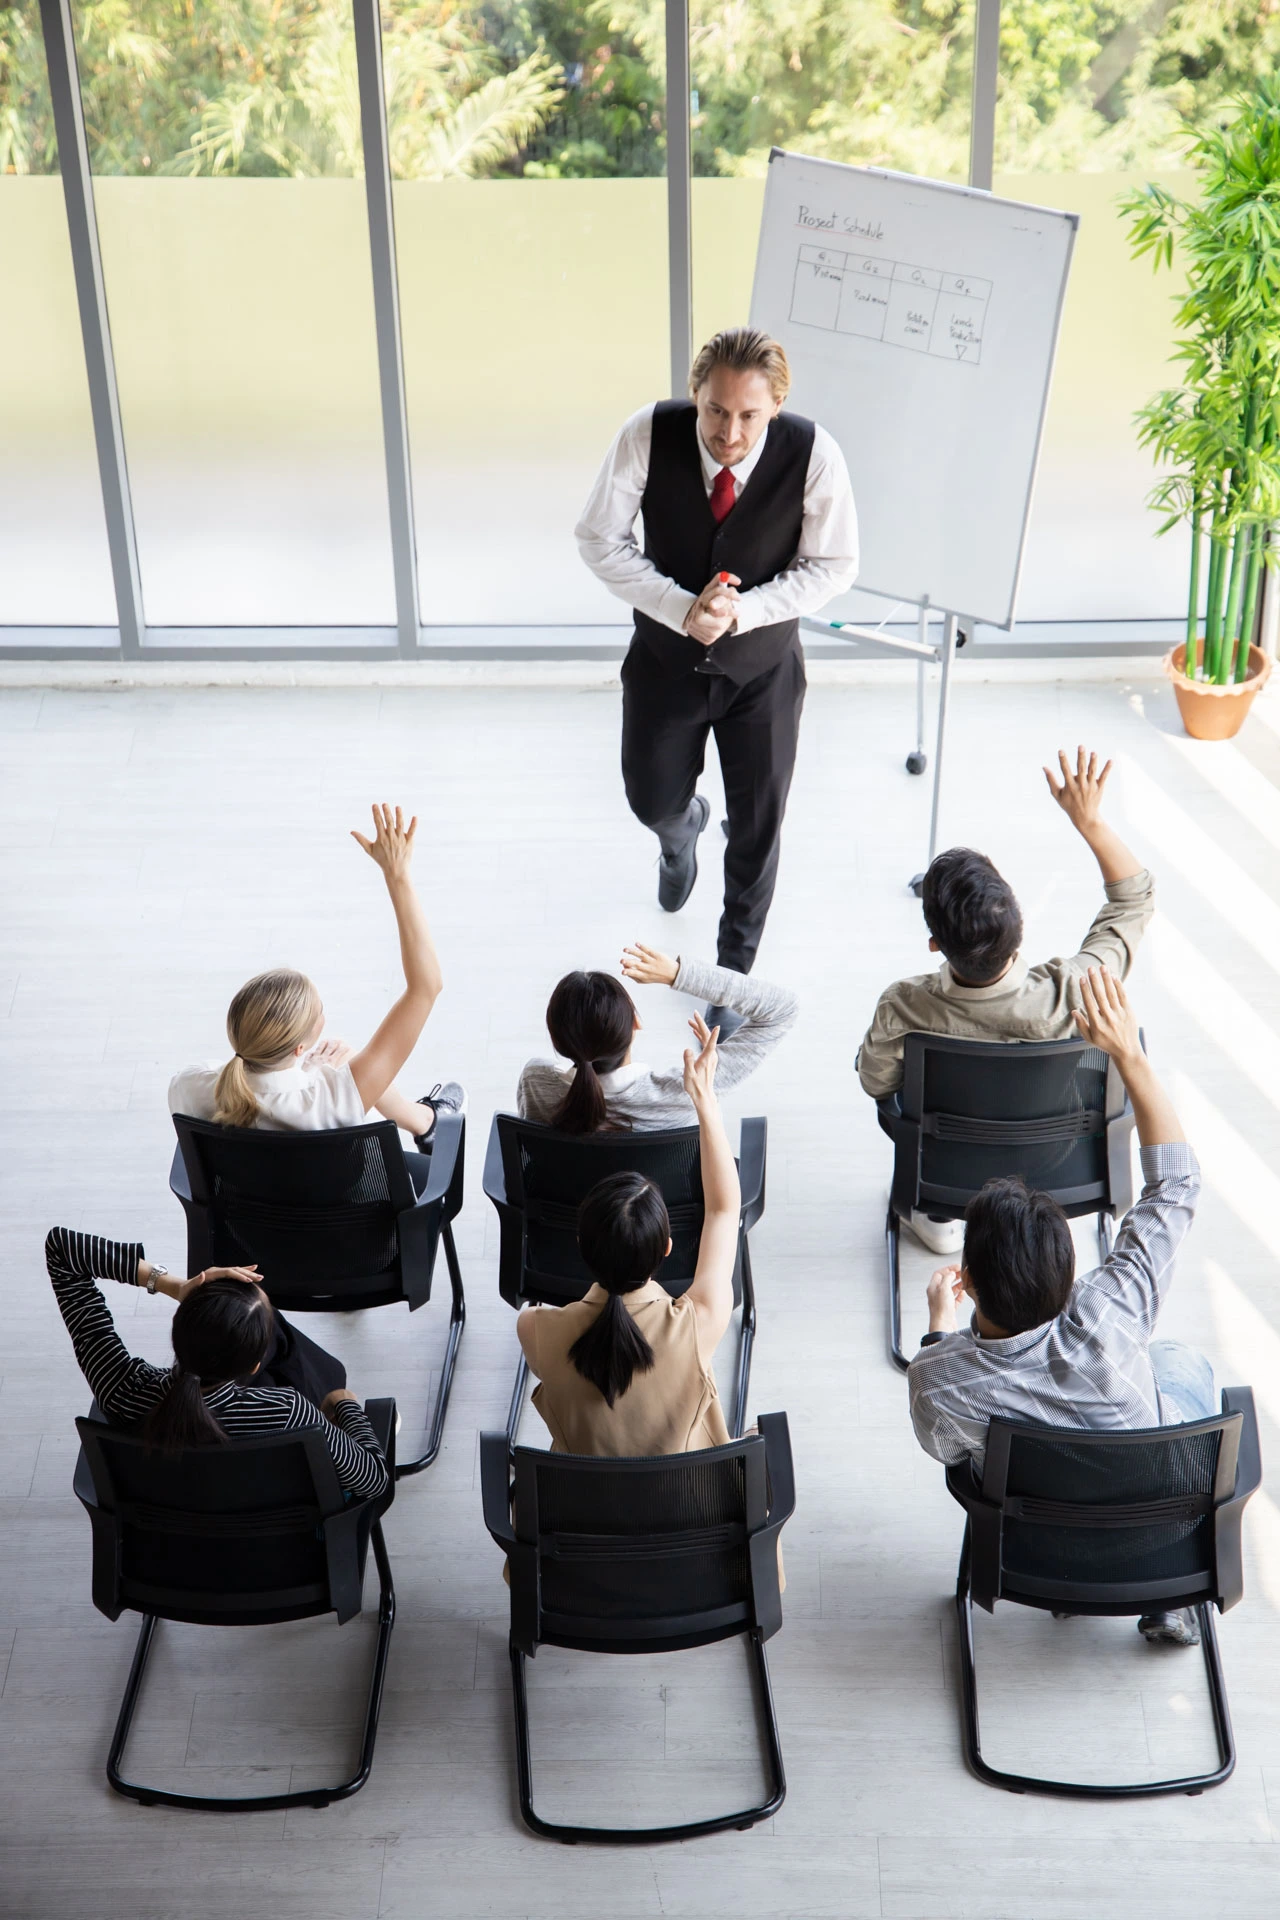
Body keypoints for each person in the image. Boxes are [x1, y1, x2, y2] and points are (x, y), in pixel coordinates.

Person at [907, 966, 1208, 1648]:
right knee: (1179, 1361)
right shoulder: (1109, 1310)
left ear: (969, 1284)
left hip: (1034, 1551)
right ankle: (1170, 1600)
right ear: (1072, 1275)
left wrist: (936, 1332)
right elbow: (1177, 1185)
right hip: (1154, 1534)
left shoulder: (938, 1376)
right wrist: (1128, 1051)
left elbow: (943, 1446)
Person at [576, 326, 858, 1029]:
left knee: (759, 831)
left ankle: (731, 976)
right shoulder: (647, 433)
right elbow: (597, 537)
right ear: (696, 396)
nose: (728, 433)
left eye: (748, 415)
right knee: (649, 799)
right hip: (665, 664)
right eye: (714, 411)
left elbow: (835, 563)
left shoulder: (815, 453)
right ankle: (682, 833)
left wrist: (747, 612)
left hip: (761, 673)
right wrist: (679, 608)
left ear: (778, 405)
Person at [858, 746, 1154, 1253]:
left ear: (935, 943)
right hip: (1059, 1167)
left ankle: (937, 1220)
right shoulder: (1082, 990)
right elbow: (1134, 897)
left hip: (950, 1176)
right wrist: (1089, 820)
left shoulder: (902, 1006)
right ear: (1020, 930)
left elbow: (876, 1083)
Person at [169, 804, 463, 1175]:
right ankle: (429, 1123)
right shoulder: (332, 1097)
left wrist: (304, 1070)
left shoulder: (189, 1087)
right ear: (299, 1047)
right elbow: (426, 986)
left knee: (353, 1065)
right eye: (319, 1009)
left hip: (247, 1227)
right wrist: (397, 874)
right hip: (347, 1231)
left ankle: (425, 1121)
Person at [516, 1021, 739, 1455]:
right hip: (692, 1512)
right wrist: (704, 1101)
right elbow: (723, 1210)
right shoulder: (701, 1324)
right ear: (667, 1250)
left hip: (579, 1518)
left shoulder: (535, 1330)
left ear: (581, 1246)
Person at [46, 1227, 388, 1498]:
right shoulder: (288, 1412)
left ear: (178, 1330)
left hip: (162, 1553)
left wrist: (173, 1286)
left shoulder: (121, 1389)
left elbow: (62, 1249)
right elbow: (373, 1480)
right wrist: (346, 1406)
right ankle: (332, 1389)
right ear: (255, 1366)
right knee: (280, 1333)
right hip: (277, 1557)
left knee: (257, 1317)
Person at [517, 939, 797, 1133]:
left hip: (570, 1218)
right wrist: (678, 974)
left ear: (556, 1039)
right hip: (660, 1220)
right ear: (635, 1024)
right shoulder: (690, 1090)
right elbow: (783, 1008)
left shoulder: (536, 1082)